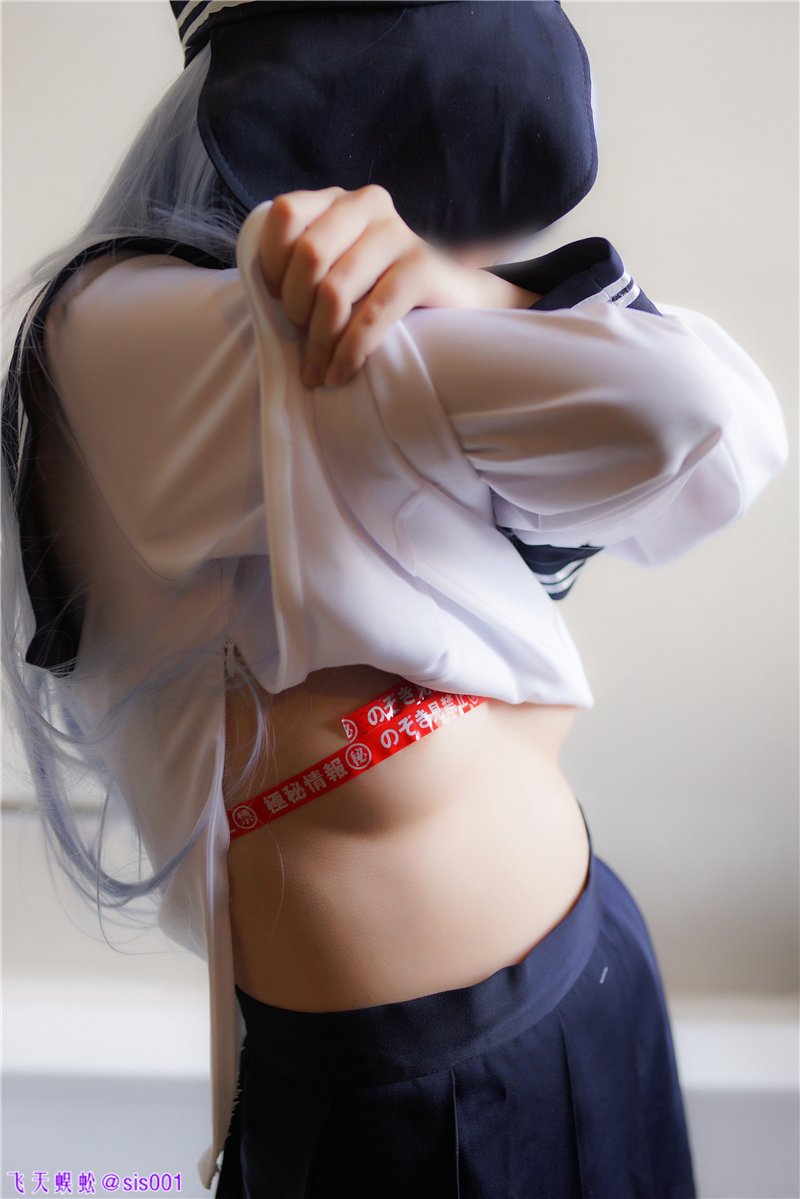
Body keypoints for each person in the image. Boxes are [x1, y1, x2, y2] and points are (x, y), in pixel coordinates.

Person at [1, 3, 788, 1196]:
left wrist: (470, 295)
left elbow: (712, 452)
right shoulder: (138, 329)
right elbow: (698, 415)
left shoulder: (314, 358)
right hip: (424, 1089)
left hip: (582, 960)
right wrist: (477, 305)